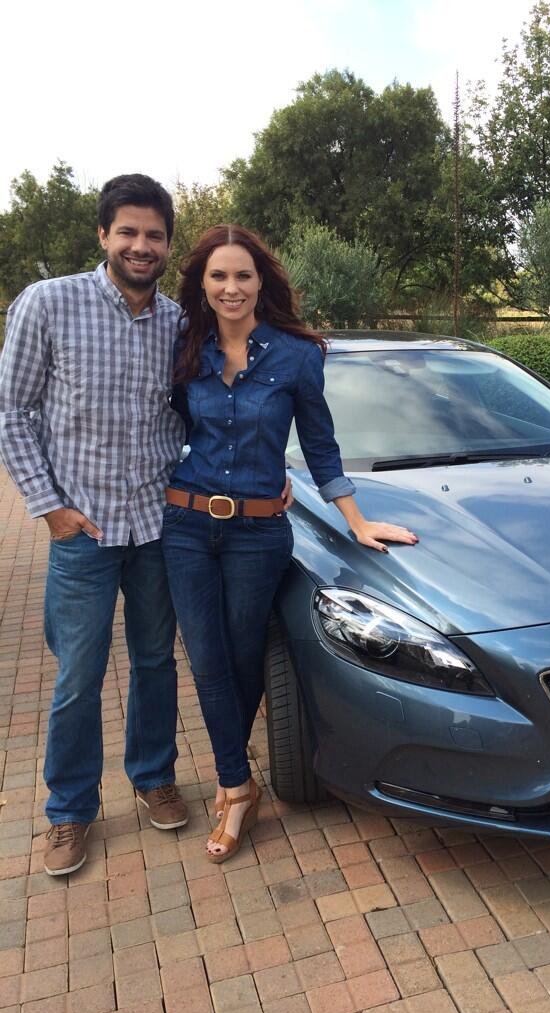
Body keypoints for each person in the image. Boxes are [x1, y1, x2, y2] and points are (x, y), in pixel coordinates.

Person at [162, 224, 418, 862]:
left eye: (242, 275)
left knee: (244, 655)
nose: (231, 287)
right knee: (206, 659)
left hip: (258, 533)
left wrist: (356, 520)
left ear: (261, 282)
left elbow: (321, 443)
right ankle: (235, 785)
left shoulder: (298, 355)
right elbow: (162, 428)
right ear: (202, 285)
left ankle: (233, 773)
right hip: (186, 525)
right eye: (218, 276)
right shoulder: (183, 346)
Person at [0, 175, 193, 875]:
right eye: (129, 232)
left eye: (154, 235)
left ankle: (154, 776)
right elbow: (12, 412)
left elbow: (195, 417)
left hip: (156, 527)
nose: (142, 246)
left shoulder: (178, 323)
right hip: (83, 532)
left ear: (167, 244)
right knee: (79, 676)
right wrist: (49, 508)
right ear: (103, 235)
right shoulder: (49, 303)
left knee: (155, 663)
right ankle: (70, 810)